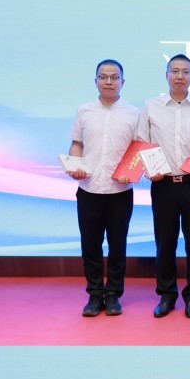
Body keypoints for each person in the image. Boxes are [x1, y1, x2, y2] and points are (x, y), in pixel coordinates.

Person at [139, 53, 190, 319]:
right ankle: (166, 295)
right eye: (175, 71)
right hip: (164, 185)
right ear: (167, 75)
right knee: (165, 242)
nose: (180, 76)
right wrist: (151, 169)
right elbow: (142, 142)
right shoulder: (151, 106)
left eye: (185, 72)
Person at [64, 59, 141, 317]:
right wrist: (75, 166)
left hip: (120, 192)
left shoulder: (133, 113)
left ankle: (114, 294)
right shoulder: (84, 110)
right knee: (91, 245)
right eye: (104, 77)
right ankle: (95, 294)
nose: (109, 81)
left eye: (114, 77)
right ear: (96, 81)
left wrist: (132, 172)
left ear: (123, 82)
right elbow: (77, 143)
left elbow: (138, 149)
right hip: (89, 189)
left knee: (118, 246)